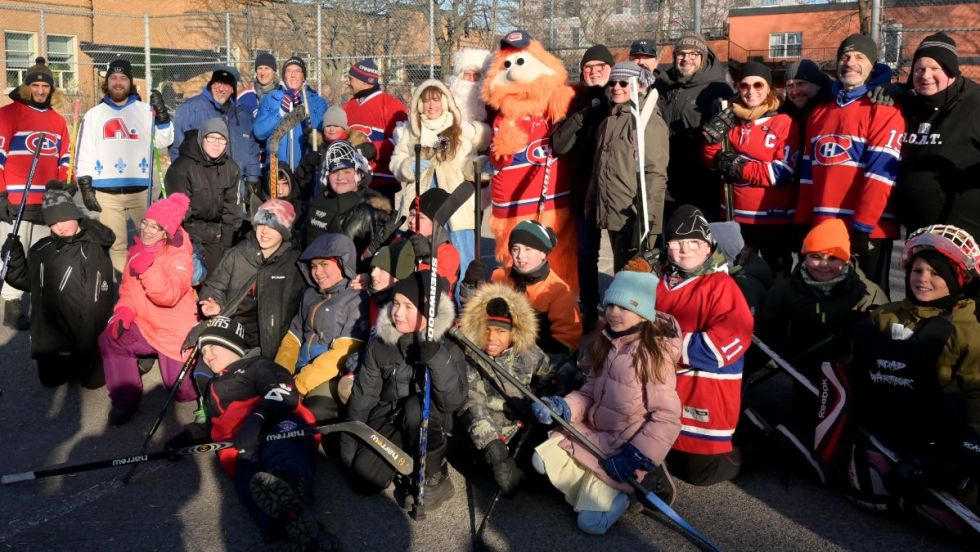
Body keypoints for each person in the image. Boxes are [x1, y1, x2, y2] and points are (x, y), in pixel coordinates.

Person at [848, 224, 980, 539]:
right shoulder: (885, 315)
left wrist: (972, 443)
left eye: (936, 274)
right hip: (888, 420)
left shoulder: (967, 330)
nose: (923, 278)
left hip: (941, 428)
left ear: (956, 280)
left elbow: (975, 389)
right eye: (918, 270)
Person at [164, 316, 338, 550]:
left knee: (283, 453)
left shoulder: (257, 365)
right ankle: (288, 533)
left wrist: (257, 417)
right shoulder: (212, 388)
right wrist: (186, 438)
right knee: (249, 484)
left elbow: (283, 390)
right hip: (241, 445)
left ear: (231, 346)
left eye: (212, 347)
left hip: (277, 425)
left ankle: (291, 494)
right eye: (203, 352)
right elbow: (212, 425)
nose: (207, 356)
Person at [530, 270, 681, 535]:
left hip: (624, 447)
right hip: (593, 434)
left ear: (643, 312)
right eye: (611, 304)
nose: (613, 312)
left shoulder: (653, 355)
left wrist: (637, 457)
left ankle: (631, 492)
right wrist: (564, 408)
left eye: (624, 306)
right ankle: (591, 487)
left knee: (591, 525)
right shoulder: (606, 341)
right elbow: (588, 392)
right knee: (538, 461)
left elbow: (666, 418)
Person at [341, 270, 466, 508]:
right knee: (362, 481)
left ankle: (435, 477)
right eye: (396, 303)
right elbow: (364, 396)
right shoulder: (380, 345)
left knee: (414, 408)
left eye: (408, 307)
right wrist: (350, 444)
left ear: (429, 313)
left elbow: (453, 402)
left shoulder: (449, 347)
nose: (397, 312)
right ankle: (405, 464)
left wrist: (437, 358)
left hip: (431, 422)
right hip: (391, 417)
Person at [652, 205, 753, 486]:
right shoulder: (657, 281)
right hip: (664, 388)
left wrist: (670, 346)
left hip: (704, 389)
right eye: (677, 243)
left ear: (708, 247)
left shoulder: (721, 285)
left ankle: (755, 443)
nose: (685, 250)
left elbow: (732, 338)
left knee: (700, 473)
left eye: (694, 243)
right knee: (663, 457)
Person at [796, 34, 905, 294]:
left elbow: (880, 175)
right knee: (824, 300)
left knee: (867, 301)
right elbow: (808, 173)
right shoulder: (820, 112)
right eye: (845, 57)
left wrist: (863, 227)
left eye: (859, 57)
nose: (850, 63)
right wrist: (802, 219)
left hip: (867, 232)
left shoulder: (884, 109)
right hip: (824, 225)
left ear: (872, 65)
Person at [458, 282, 581, 497]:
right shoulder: (472, 357)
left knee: (556, 456)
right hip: (491, 442)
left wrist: (566, 378)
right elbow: (472, 405)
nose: (491, 338)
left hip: (524, 429)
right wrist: (496, 454)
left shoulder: (526, 351)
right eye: (486, 329)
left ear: (514, 332)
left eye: (500, 331)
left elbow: (553, 366)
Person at [0, 180, 114, 388]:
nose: (59, 226)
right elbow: (26, 282)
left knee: (93, 383)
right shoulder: (41, 248)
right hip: (52, 336)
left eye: (64, 218)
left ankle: (105, 358)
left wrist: (87, 341)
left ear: (76, 215)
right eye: (52, 222)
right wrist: (14, 259)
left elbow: (98, 304)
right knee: (50, 382)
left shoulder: (94, 248)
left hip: (86, 334)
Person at [98, 193, 199, 426]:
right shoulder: (137, 249)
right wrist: (123, 311)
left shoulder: (181, 254)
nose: (147, 230)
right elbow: (128, 290)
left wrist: (148, 268)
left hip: (173, 332)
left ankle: (190, 359)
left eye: (156, 227)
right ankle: (125, 398)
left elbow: (169, 295)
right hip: (144, 323)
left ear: (167, 232)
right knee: (110, 338)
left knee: (183, 394)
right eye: (145, 222)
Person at [75, 58, 174, 275]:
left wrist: (164, 119)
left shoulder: (144, 111)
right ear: (107, 82)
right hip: (106, 193)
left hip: (141, 190)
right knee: (115, 245)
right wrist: (85, 184)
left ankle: (150, 287)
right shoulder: (94, 115)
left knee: (152, 241)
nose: (118, 82)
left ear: (130, 83)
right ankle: (122, 291)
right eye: (113, 78)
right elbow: (84, 153)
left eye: (123, 78)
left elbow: (162, 142)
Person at [702, 61, 801, 276]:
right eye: (745, 86)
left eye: (758, 85)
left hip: (773, 220)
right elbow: (712, 163)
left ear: (768, 89)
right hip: (734, 217)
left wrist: (740, 167)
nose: (751, 91)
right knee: (737, 279)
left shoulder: (783, 123)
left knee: (775, 279)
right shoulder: (731, 119)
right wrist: (712, 138)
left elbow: (781, 172)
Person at [389, 78, 489, 276]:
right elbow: (397, 162)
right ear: (419, 105)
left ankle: (463, 300)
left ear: (445, 102)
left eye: (436, 100)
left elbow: (467, 165)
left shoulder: (457, 131)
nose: (431, 105)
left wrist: (481, 167)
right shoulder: (411, 131)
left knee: (462, 261)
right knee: (419, 261)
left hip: (455, 206)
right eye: (426, 101)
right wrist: (410, 166)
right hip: (419, 205)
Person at [0, 57, 70, 329]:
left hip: (46, 200)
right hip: (16, 199)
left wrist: (63, 186)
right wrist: (1, 193)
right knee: (14, 253)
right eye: (36, 85)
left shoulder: (57, 120)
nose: (41, 90)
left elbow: (64, 158)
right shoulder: (9, 114)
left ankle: (42, 304)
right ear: (27, 87)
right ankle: (11, 302)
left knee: (41, 255)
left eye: (46, 86)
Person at [550, 44, 614, 329]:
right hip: (583, 191)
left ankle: (620, 312)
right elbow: (559, 144)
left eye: (601, 66)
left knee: (624, 255)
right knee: (587, 254)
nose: (595, 71)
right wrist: (585, 114)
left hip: (616, 192)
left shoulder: (621, 93)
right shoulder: (573, 100)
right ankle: (589, 308)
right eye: (590, 67)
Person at [274, 233, 369, 422]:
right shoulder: (310, 295)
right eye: (313, 266)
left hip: (331, 374)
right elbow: (292, 339)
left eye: (324, 264)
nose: (317, 272)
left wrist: (299, 385)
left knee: (313, 411)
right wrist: (280, 377)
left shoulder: (356, 299)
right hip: (299, 371)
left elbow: (341, 354)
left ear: (343, 264)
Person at [895, 33, 980, 240]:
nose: (925, 76)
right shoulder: (909, 103)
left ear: (951, 71)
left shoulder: (974, 104)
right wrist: (888, 89)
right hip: (917, 233)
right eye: (919, 69)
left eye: (935, 69)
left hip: (964, 235)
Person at [587, 61, 669, 271]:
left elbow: (655, 172)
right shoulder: (612, 118)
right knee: (621, 272)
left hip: (634, 216)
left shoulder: (646, 119)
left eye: (624, 83)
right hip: (614, 212)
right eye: (613, 82)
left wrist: (647, 219)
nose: (617, 87)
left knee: (633, 278)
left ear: (640, 85)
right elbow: (600, 168)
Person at [198, 199, 303, 360]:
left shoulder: (294, 264)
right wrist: (215, 303)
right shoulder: (239, 253)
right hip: (234, 330)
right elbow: (214, 285)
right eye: (261, 225)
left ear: (284, 232)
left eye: (272, 226)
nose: (264, 231)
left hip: (272, 341)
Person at [653, 35, 734, 222]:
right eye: (681, 54)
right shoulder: (663, 86)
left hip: (702, 181)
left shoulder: (719, 89)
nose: (686, 58)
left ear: (703, 57)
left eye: (694, 54)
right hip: (666, 176)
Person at [164, 117, 243, 276]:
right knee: (190, 277)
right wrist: (186, 242)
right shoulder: (181, 168)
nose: (216, 143)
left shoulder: (231, 168)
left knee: (217, 278)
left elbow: (232, 211)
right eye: (212, 137)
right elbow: (176, 213)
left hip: (216, 234)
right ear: (202, 138)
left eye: (221, 139)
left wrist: (226, 246)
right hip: (189, 233)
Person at [491, 220, 582, 357]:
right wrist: (470, 285)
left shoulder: (559, 291)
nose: (520, 255)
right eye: (516, 249)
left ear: (543, 254)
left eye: (528, 249)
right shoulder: (499, 277)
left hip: (537, 361)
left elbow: (568, 342)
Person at [170, 65, 261, 195]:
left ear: (232, 90)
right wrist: (183, 178)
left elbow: (251, 149)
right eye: (217, 83)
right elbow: (176, 148)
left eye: (227, 85)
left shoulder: (243, 114)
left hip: (236, 186)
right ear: (211, 84)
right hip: (202, 187)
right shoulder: (191, 108)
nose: (221, 88)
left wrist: (252, 178)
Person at [304, 140, 391, 261]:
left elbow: (379, 258)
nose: (340, 177)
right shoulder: (318, 203)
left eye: (347, 172)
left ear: (359, 175)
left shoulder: (371, 212)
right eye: (335, 172)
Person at [342, 58, 408, 199]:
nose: (348, 82)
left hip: (381, 181)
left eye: (351, 79)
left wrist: (374, 149)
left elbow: (403, 141)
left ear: (365, 81)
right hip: (353, 181)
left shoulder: (391, 105)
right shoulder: (347, 107)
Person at [254, 56, 328, 173]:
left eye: (297, 71)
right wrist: (280, 112)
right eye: (289, 71)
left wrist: (303, 112)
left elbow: (320, 133)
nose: (293, 75)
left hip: (305, 169)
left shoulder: (317, 101)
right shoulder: (270, 99)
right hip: (277, 170)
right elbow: (259, 133)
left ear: (304, 76)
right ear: (284, 76)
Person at [404, 187, 462, 292]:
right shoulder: (402, 240)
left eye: (420, 217)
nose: (412, 221)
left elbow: (441, 290)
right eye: (411, 214)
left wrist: (428, 259)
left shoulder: (448, 253)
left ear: (436, 224)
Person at [778, 59, 833, 131]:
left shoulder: (833, 113)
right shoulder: (782, 117)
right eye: (790, 86)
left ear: (817, 85)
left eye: (800, 84)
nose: (795, 92)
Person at [447, 48, 493, 130]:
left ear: (482, 77)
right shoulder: (447, 97)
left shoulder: (490, 102)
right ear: (460, 76)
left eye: (476, 75)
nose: (471, 78)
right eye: (467, 74)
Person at [237, 52, 279, 118]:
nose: (263, 73)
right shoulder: (245, 96)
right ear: (256, 71)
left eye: (267, 68)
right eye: (260, 68)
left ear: (274, 71)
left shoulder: (282, 94)